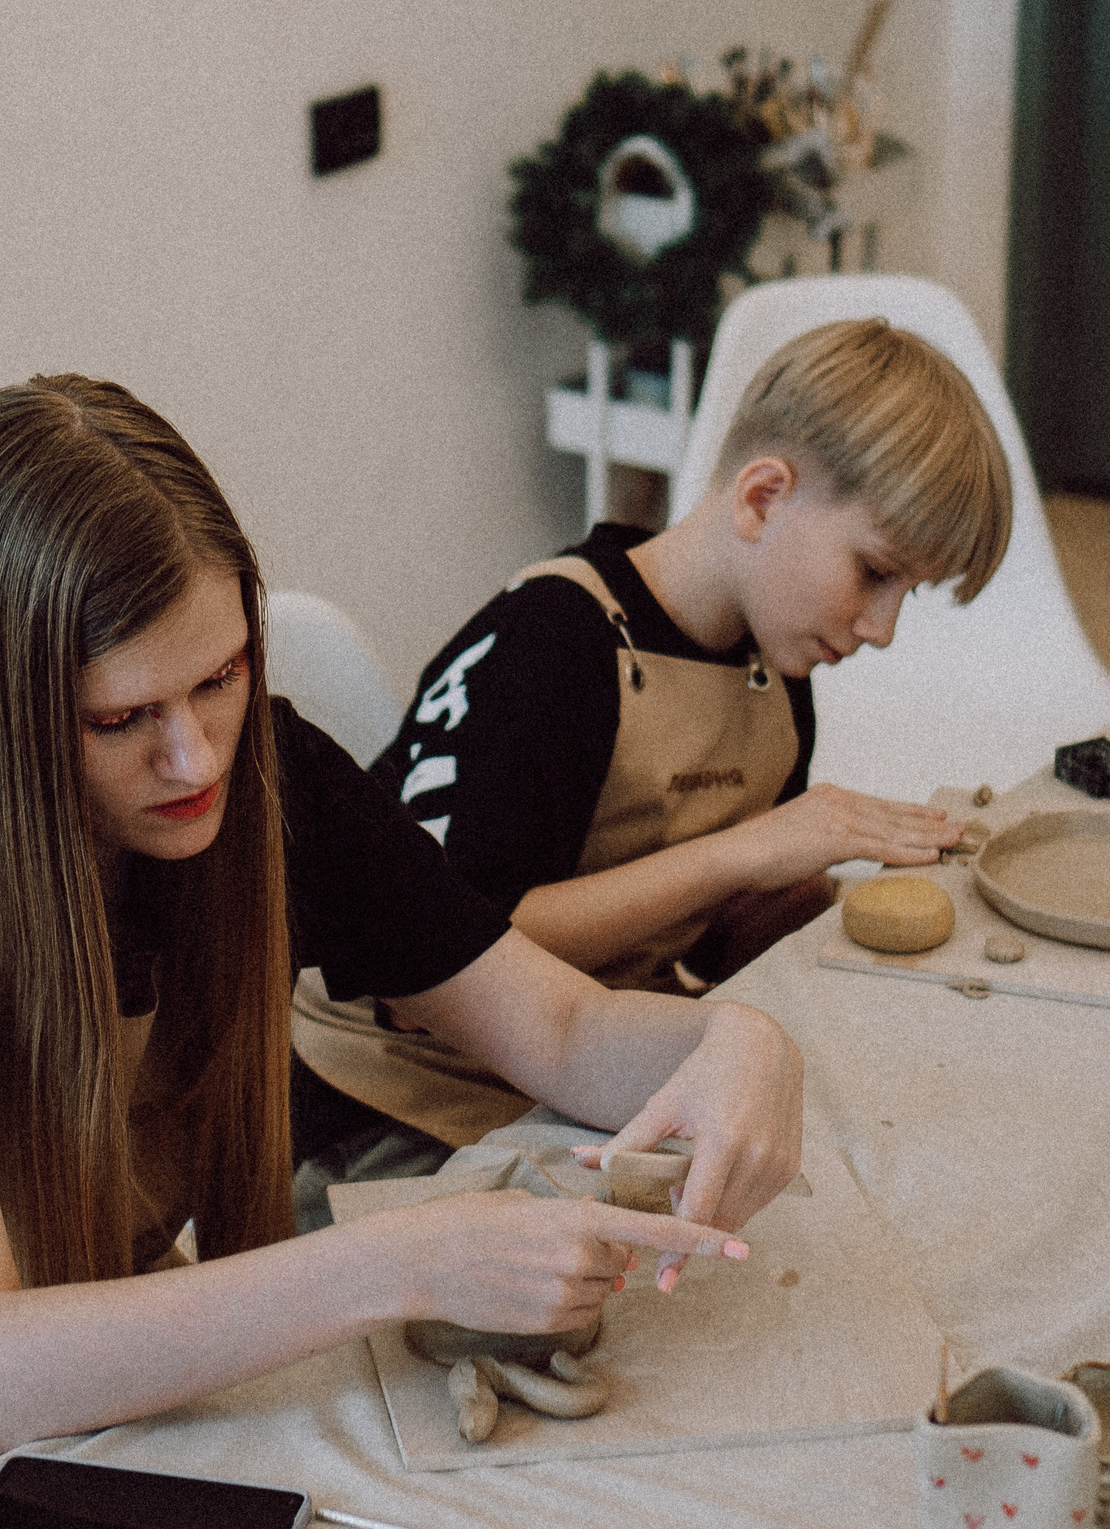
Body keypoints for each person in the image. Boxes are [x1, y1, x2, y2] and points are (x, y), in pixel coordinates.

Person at [0, 375, 804, 1529]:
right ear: (1, 705)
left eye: (221, 675)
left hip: (85, 1423)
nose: (193, 755)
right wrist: (404, 1259)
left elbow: (556, 1025)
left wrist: (735, 1046)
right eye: (120, 717)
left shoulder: (260, 778)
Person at [291, 318, 1011, 1171]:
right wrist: (740, 855)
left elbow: (695, 942)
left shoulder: (779, 666)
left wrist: (812, 908)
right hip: (395, 1102)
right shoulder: (552, 642)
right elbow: (441, 964)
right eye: (875, 571)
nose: (883, 628)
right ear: (761, 497)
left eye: (910, 594)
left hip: (586, 1063)